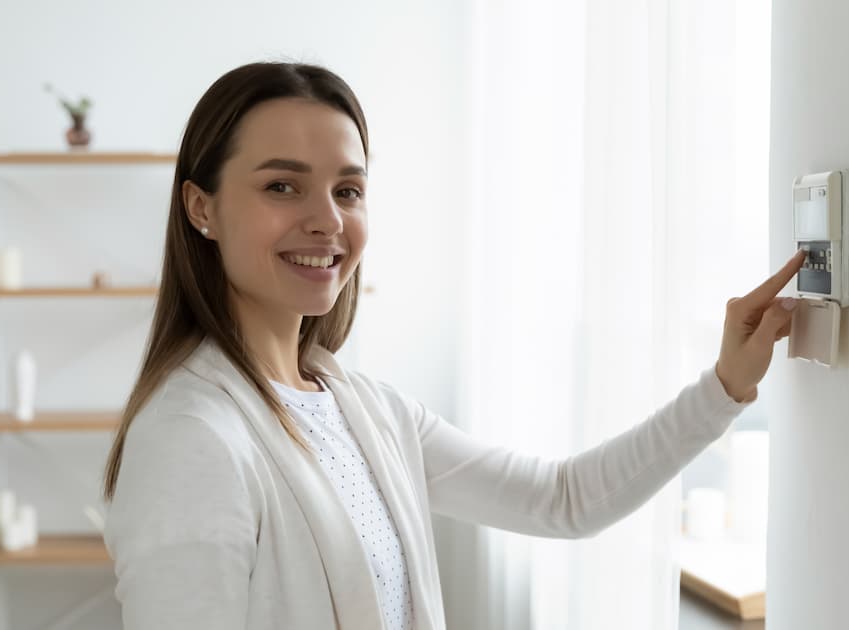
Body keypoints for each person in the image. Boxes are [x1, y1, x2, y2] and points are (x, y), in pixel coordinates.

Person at [100, 61, 807, 630]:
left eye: (348, 190)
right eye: (283, 186)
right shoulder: (191, 439)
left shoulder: (365, 410)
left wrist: (726, 385)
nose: (327, 220)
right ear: (202, 207)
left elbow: (564, 499)